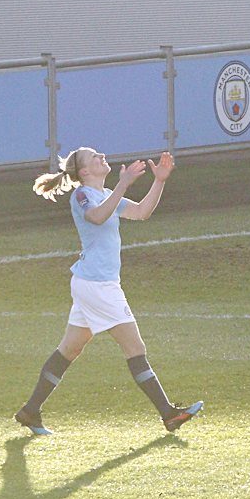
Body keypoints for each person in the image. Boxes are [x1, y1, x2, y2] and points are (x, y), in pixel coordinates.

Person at [14, 147, 203, 435]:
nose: (102, 155)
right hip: (98, 286)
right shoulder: (83, 196)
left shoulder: (105, 195)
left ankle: (30, 411)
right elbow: (97, 217)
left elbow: (141, 212)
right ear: (85, 171)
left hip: (93, 284)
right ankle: (168, 414)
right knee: (135, 349)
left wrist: (159, 180)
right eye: (94, 157)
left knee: (69, 350)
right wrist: (124, 184)